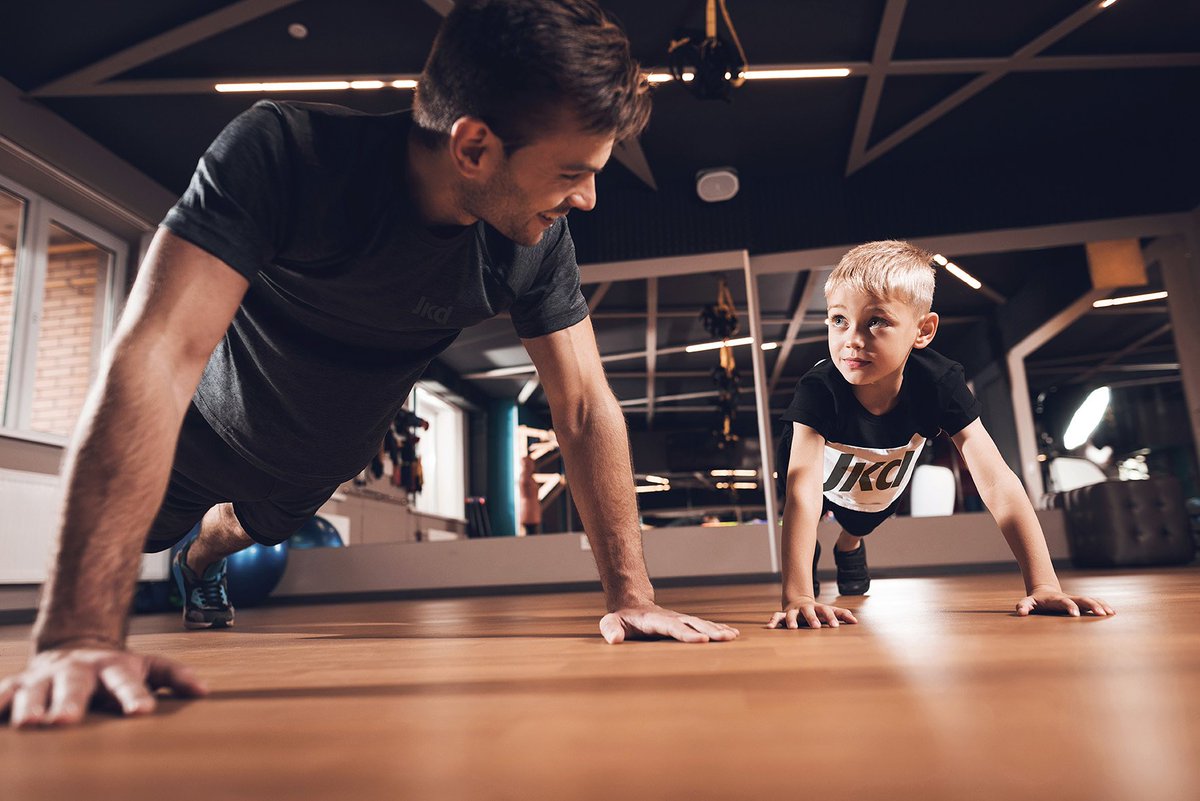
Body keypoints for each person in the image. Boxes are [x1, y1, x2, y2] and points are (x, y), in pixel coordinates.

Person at [0, 0, 738, 730]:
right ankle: (178, 552)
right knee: (142, 536)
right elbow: (158, 355)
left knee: (235, 532)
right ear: (474, 147)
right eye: (573, 172)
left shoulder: (532, 244)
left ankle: (203, 559)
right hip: (202, 439)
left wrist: (632, 595)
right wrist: (79, 636)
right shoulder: (285, 156)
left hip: (315, 465)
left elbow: (580, 404)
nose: (588, 196)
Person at [768, 240, 1116, 630]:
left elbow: (997, 480)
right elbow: (803, 491)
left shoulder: (939, 382)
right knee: (808, 510)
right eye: (839, 320)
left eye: (877, 321)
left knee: (865, 518)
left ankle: (849, 544)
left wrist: (1044, 584)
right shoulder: (819, 388)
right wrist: (798, 595)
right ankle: (810, 554)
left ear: (923, 331)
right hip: (816, 466)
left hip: (877, 473)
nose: (851, 339)